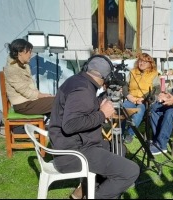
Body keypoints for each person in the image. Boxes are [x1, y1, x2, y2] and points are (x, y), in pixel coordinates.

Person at [48, 54, 140, 199]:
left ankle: (86, 190)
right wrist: (102, 114)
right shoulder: (83, 90)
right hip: (72, 154)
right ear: (106, 77)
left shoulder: (78, 82)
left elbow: (84, 107)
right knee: (131, 171)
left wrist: (102, 99)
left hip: (73, 145)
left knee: (119, 149)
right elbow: (71, 125)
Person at [4, 38, 54, 115]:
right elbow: (25, 91)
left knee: (59, 101)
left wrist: (41, 95)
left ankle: (58, 125)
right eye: (29, 52)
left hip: (29, 101)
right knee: (58, 102)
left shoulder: (23, 65)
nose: (31, 55)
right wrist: (41, 95)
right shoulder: (12, 69)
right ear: (20, 52)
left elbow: (31, 87)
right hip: (22, 105)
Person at [121, 53, 160, 144]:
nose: (142, 63)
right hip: (131, 99)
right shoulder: (133, 72)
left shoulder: (154, 74)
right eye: (140, 61)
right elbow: (125, 85)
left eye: (145, 62)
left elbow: (157, 89)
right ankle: (120, 133)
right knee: (121, 109)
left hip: (144, 101)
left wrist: (143, 98)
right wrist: (128, 96)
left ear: (150, 64)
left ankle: (129, 134)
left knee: (138, 112)